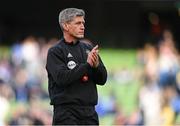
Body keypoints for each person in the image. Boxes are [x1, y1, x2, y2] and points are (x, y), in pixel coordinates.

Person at [46, 8, 107, 125]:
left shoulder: (88, 48)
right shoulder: (56, 51)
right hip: (66, 113)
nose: (82, 26)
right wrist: (87, 66)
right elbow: (61, 78)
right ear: (66, 26)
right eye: (78, 23)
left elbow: (102, 79)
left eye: (83, 23)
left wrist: (96, 66)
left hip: (90, 113)